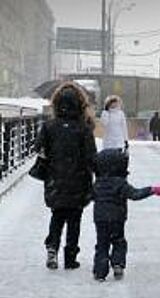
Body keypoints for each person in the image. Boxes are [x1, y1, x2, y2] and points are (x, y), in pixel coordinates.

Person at [35, 82, 97, 270]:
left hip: (55, 178)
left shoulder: (49, 126)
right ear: (80, 104)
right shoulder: (84, 128)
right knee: (74, 219)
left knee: (57, 215)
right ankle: (70, 257)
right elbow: (90, 155)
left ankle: (52, 247)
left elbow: (39, 148)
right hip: (79, 179)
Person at [92, 148, 160, 281]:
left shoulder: (97, 184)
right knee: (118, 241)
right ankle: (118, 264)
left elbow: (88, 196)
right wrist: (152, 190)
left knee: (102, 244)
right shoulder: (120, 184)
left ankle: (100, 272)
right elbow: (135, 194)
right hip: (117, 218)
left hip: (100, 218)